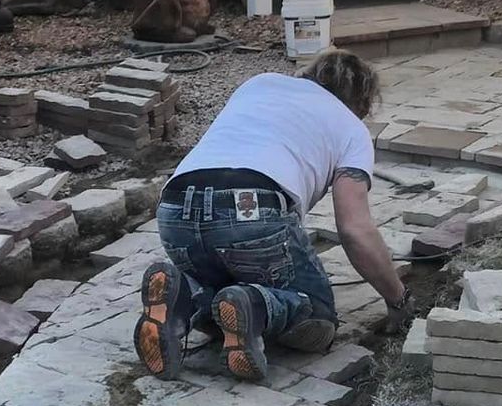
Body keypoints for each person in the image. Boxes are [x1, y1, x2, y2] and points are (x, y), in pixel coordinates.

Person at [134, 50, 410, 383]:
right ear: (361, 102)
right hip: (251, 208)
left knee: (225, 285)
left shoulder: (259, 84)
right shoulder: (351, 128)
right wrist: (397, 298)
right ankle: (256, 305)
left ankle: (182, 299)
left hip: (176, 205)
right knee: (319, 319)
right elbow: (354, 228)